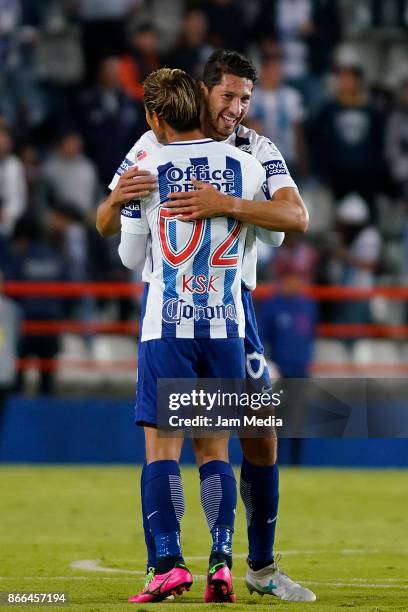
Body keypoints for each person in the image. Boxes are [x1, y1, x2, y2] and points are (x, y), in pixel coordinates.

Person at [96, 50, 315, 603]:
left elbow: (296, 217)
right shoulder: (151, 147)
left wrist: (228, 204)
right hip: (197, 307)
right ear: (203, 90)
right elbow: (105, 217)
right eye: (229, 96)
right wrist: (119, 200)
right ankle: (200, 560)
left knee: (260, 441)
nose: (237, 109)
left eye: (246, 99)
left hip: (234, 312)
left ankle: (259, 567)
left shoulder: (257, 149)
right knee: (205, 445)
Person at [117, 66, 274, 603]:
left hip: (168, 326)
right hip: (228, 326)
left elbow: (129, 256)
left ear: (156, 116)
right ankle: (223, 562)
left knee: (162, 449)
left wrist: (122, 208)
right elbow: (278, 226)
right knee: (215, 451)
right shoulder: (244, 164)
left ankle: (167, 563)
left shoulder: (148, 163)